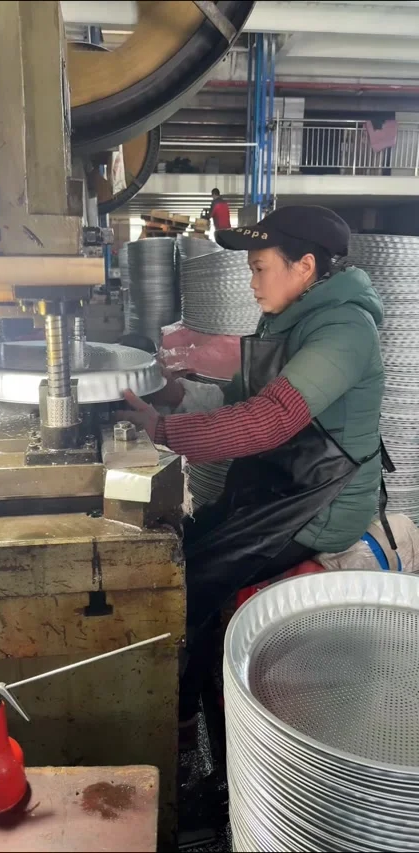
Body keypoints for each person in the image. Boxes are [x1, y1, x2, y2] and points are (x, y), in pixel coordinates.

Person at [120, 205, 385, 739]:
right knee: (181, 545)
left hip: (319, 504)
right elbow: (237, 398)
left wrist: (163, 433)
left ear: (304, 266)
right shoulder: (289, 319)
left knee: (191, 583)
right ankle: (188, 701)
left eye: (260, 266)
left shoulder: (344, 330)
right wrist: (173, 396)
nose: (251, 279)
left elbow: (271, 419)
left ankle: (189, 724)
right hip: (278, 486)